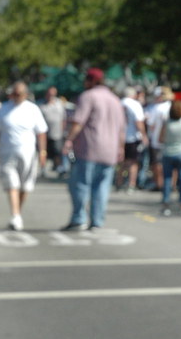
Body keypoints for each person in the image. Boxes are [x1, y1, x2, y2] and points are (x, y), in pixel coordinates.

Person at [62, 68, 126, 231]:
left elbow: (78, 122)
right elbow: (121, 129)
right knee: (102, 188)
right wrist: (120, 148)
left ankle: (79, 218)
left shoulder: (88, 96)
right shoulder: (115, 99)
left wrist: (69, 140)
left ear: (91, 81)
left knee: (80, 185)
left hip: (89, 149)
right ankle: (97, 221)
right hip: (110, 151)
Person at [0, 81, 48, 231]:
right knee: (12, 184)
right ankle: (15, 215)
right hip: (7, 152)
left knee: (25, 186)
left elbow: (41, 132)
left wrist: (43, 152)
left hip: (28, 153)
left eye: (19, 94)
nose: (16, 96)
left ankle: (17, 213)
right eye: (14, 94)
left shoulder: (33, 109)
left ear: (25, 94)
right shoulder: (3, 108)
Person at [116, 86, 147, 193]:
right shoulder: (135, 104)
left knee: (121, 162)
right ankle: (131, 184)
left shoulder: (118, 103)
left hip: (119, 137)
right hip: (132, 137)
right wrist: (144, 135)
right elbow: (138, 121)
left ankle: (119, 182)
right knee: (133, 162)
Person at [144, 86, 174, 191]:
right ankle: (172, 185)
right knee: (171, 164)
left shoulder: (156, 108)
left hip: (156, 140)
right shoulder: (171, 106)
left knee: (157, 163)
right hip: (170, 141)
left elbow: (151, 124)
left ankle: (159, 184)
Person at [39, 85, 67, 177]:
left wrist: (63, 130)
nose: (51, 95)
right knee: (44, 151)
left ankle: (59, 168)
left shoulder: (59, 104)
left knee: (57, 151)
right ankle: (43, 169)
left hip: (57, 133)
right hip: (44, 133)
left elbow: (63, 119)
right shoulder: (41, 105)